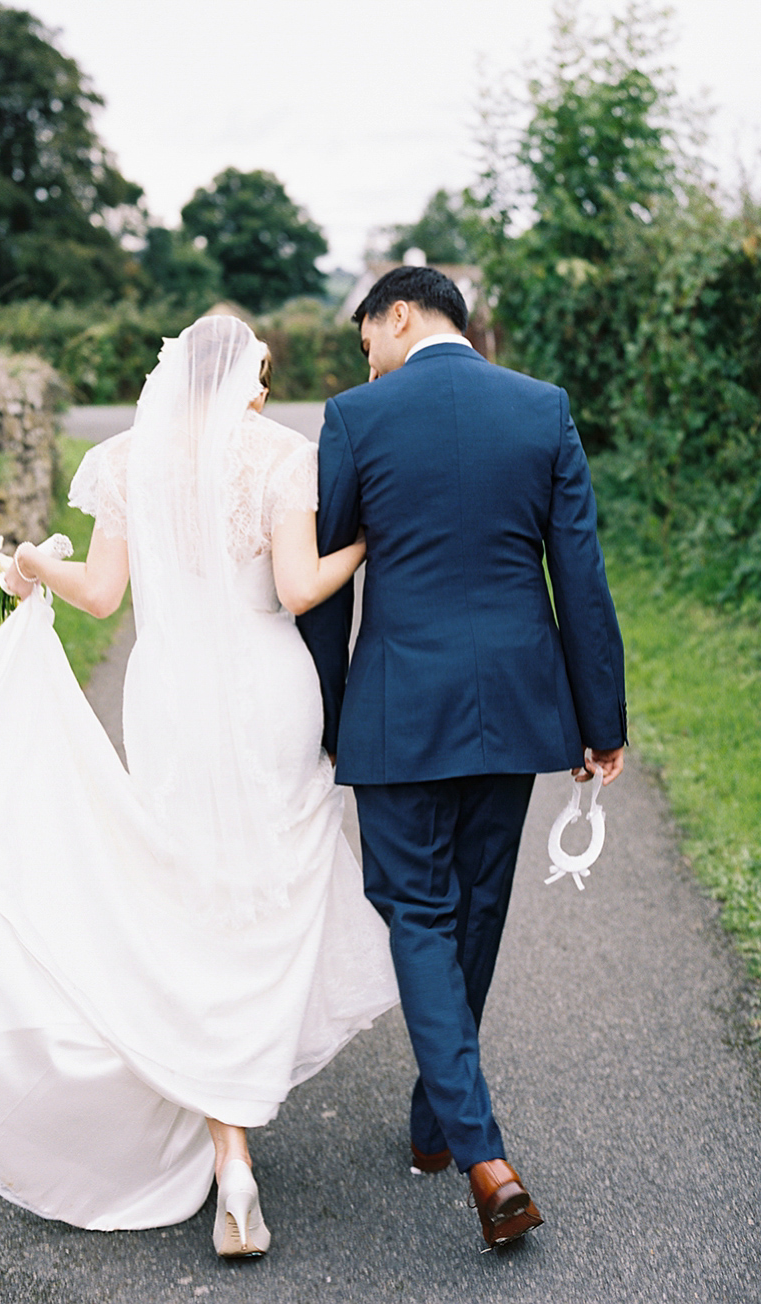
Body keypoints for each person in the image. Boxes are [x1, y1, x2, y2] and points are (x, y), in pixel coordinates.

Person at [0, 315, 397, 1257]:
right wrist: (365, 546)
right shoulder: (285, 456)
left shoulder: (126, 462)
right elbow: (296, 589)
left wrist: (32, 563)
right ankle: (240, 1104)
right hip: (268, 692)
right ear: (238, 376)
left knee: (188, 892)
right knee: (265, 884)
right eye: (259, 372)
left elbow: (101, 595)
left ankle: (227, 1149)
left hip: (169, 699)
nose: (260, 386)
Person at [297, 266, 627, 1250]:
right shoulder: (542, 408)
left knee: (419, 913)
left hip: (398, 712)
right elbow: (580, 571)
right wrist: (600, 717)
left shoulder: (355, 420)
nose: (368, 357)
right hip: (518, 707)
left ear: (398, 314)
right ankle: (439, 1127)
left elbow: (325, 588)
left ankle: (481, 1150)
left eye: (368, 337)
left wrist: (327, 719)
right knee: (473, 909)